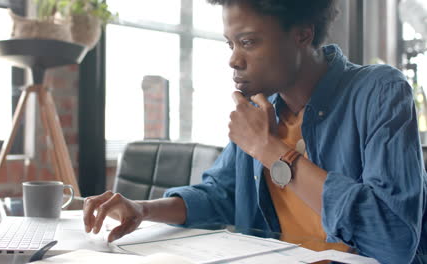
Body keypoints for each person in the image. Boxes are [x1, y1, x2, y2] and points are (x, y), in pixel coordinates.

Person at [83, 0, 427, 263]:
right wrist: (143, 209)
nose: (233, 59)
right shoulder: (261, 110)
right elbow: (220, 195)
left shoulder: (378, 92)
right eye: (229, 44)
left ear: (302, 34)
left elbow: (394, 240)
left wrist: (271, 150)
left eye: (247, 42)